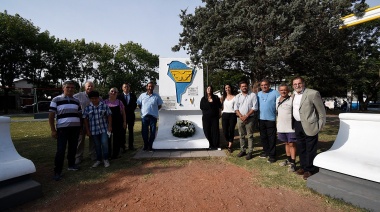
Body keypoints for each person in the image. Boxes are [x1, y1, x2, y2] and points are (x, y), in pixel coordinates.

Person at [292, 76, 326, 180]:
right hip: (297, 125)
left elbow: (321, 111)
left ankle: (310, 170)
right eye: (295, 84)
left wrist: (320, 126)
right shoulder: (292, 94)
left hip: (310, 125)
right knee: (301, 147)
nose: (297, 86)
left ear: (303, 83)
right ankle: (303, 167)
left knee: (310, 148)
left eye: (299, 83)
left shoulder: (313, 93)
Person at [49, 80, 82, 181]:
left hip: (75, 129)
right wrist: (53, 130)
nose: (70, 89)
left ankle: (71, 165)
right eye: (68, 87)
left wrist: (80, 128)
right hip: (62, 129)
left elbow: (79, 115)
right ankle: (57, 171)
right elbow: (51, 116)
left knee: (73, 147)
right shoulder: (56, 100)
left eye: (72, 87)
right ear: (63, 88)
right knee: (61, 150)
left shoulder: (76, 100)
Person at [83, 91, 112, 168]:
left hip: (104, 129)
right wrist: (87, 130)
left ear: (98, 98)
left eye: (96, 98)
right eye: (92, 99)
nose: (94, 100)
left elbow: (109, 116)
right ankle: (98, 160)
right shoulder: (88, 108)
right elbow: (85, 119)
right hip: (93, 130)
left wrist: (109, 126)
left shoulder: (104, 106)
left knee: (104, 144)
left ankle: (106, 159)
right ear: (90, 99)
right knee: (97, 145)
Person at [257, 79, 280, 163]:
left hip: (271, 119)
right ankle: (266, 151)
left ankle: (272, 155)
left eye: (265, 85)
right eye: (262, 85)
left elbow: (280, 103)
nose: (264, 86)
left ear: (269, 85)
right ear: (260, 86)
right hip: (261, 119)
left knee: (272, 138)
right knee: (263, 137)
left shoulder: (275, 93)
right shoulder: (258, 94)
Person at [234, 81, 258, 160]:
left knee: (250, 135)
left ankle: (250, 151)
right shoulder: (237, 96)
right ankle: (243, 150)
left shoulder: (252, 95)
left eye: (245, 86)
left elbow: (254, 107)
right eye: (242, 86)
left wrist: (246, 116)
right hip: (240, 118)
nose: (244, 87)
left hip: (250, 118)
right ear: (240, 87)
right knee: (241, 135)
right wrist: (241, 116)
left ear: (247, 86)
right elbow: (236, 108)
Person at [74, 81, 96, 164]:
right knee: (80, 139)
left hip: (93, 121)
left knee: (93, 139)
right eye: (88, 86)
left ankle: (92, 154)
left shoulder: (97, 96)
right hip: (81, 121)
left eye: (91, 86)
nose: (90, 87)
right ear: (85, 87)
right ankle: (78, 156)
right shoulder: (77, 96)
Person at [137, 82, 163, 151]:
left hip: (153, 117)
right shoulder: (142, 95)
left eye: (152, 87)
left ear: (153, 88)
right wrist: (144, 110)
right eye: (149, 86)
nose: (150, 88)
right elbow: (139, 104)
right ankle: (146, 145)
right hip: (144, 116)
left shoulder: (156, 96)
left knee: (153, 131)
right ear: (146, 87)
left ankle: (151, 145)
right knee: (144, 132)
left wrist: (153, 110)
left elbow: (160, 105)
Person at [276, 84, 296, 172]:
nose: (283, 92)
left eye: (285, 90)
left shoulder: (292, 99)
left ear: (288, 91)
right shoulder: (277, 99)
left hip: (291, 126)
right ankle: (288, 160)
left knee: (292, 144)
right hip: (281, 126)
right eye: (281, 90)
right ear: (279, 91)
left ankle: (293, 163)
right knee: (286, 143)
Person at [104, 88, 126, 159]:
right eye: (112, 91)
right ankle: (108, 154)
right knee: (108, 139)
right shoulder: (105, 102)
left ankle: (115, 154)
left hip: (118, 123)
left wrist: (124, 122)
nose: (113, 93)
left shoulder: (120, 102)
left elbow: (123, 113)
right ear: (109, 93)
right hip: (107, 123)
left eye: (115, 92)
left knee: (117, 138)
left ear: (117, 93)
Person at [200, 85, 222, 150]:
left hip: (214, 117)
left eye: (210, 88)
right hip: (206, 118)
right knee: (207, 131)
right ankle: (209, 144)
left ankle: (216, 145)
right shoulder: (203, 99)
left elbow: (219, 106)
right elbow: (201, 107)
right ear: (206, 90)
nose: (209, 90)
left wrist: (220, 113)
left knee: (215, 131)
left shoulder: (216, 97)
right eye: (207, 89)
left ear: (212, 90)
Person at [117, 83, 137, 151]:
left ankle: (131, 146)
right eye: (125, 87)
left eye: (128, 87)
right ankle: (122, 146)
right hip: (122, 117)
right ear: (122, 88)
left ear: (129, 88)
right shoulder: (119, 96)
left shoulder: (133, 96)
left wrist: (129, 110)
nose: (126, 88)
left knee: (131, 131)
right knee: (123, 131)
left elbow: (135, 105)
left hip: (131, 116)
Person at [221, 84, 237, 153]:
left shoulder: (235, 97)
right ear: (224, 89)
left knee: (231, 130)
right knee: (225, 131)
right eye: (226, 88)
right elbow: (220, 107)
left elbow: (236, 107)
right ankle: (228, 141)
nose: (227, 89)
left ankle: (230, 145)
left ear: (231, 88)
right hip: (225, 114)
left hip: (232, 115)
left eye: (228, 87)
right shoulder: (223, 97)